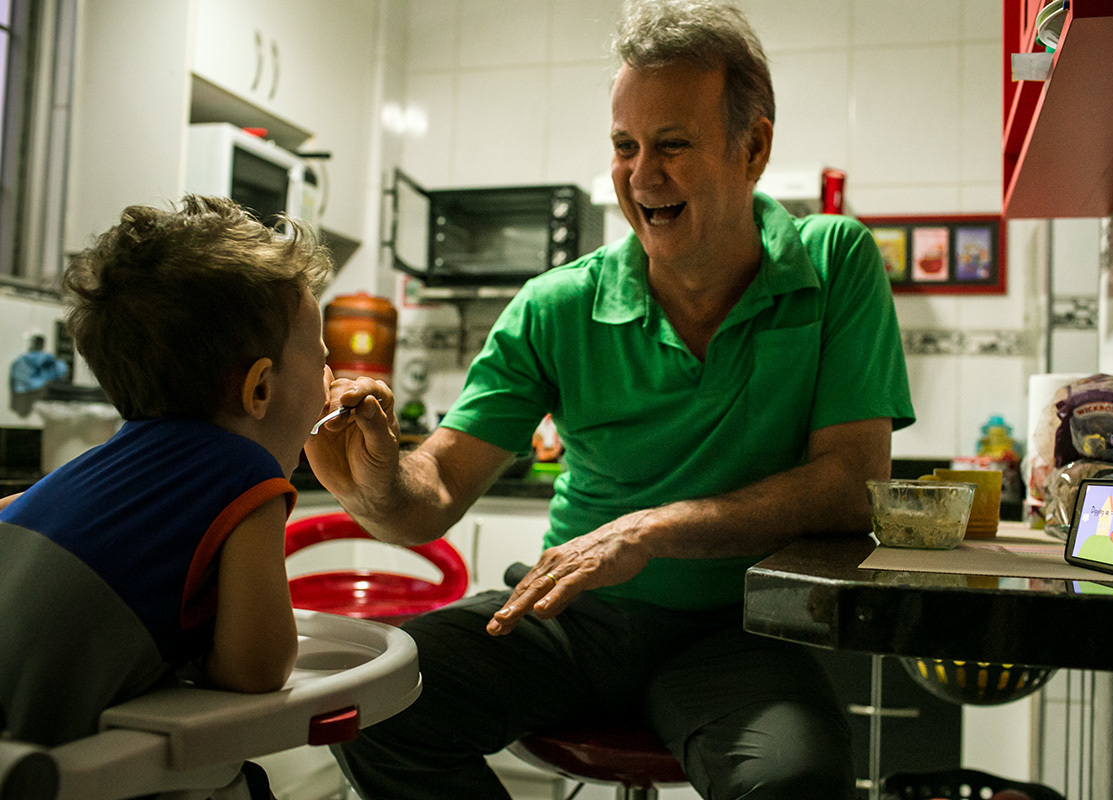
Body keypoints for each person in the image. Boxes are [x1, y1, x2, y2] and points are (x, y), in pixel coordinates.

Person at [306, 1, 914, 797]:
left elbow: (849, 485)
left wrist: (653, 531)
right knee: (375, 704)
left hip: (738, 632)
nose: (640, 175)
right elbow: (436, 494)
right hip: (575, 617)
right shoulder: (557, 305)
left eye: (672, 145)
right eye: (625, 147)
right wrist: (374, 483)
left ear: (753, 147)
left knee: (795, 783)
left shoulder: (835, 262)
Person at [0, 195, 332, 746]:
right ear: (260, 388)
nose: (330, 380)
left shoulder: (106, 460)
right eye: (321, 360)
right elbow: (258, 669)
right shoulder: (247, 475)